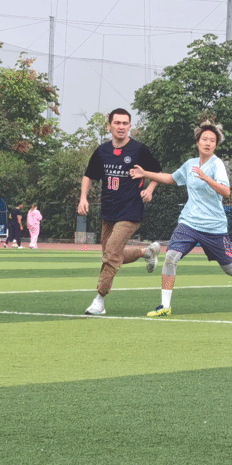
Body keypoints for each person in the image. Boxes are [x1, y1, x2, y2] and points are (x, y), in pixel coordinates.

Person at [129, 121, 232, 315]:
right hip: (189, 222)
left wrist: (206, 178)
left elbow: (226, 192)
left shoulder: (217, 165)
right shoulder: (190, 164)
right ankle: (165, 306)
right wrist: (145, 173)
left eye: (212, 140)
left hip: (214, 226)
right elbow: (171, 178)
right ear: (197, 142)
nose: (208, 143)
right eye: (205, 139)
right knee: (170, 257)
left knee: (230, 269)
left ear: (216, 145)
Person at [78, 108, 162, 316]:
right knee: (111, 254)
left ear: (130, 126)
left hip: (131, 211)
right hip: (108, 211)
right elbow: (88, 175)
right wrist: (83, 198)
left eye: (125, 123)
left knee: (111, 256)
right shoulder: (102, 151)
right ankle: (146, 252)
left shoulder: (138, 149)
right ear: (109, 126)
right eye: (117, 123)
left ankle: (99, 300)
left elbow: (157, 171)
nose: (121, 127)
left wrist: (150, 189)